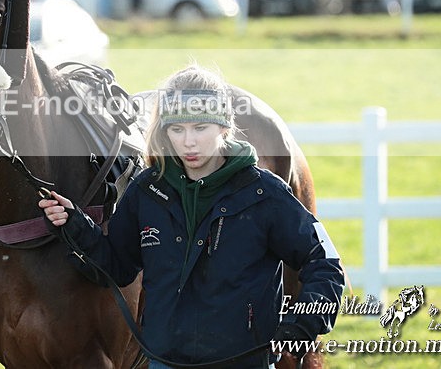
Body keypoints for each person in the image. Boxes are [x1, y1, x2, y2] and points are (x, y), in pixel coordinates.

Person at [40, 65, 344, 368]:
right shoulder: (146, 192)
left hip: (244, 361)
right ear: (164, 131)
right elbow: (117, 266)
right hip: (165, 361)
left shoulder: (266, 194)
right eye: (177, 129)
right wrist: (76, 226)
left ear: (224, 126)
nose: (189, 142)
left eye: (200, 128)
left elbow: (325, 263)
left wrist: (303, 326)